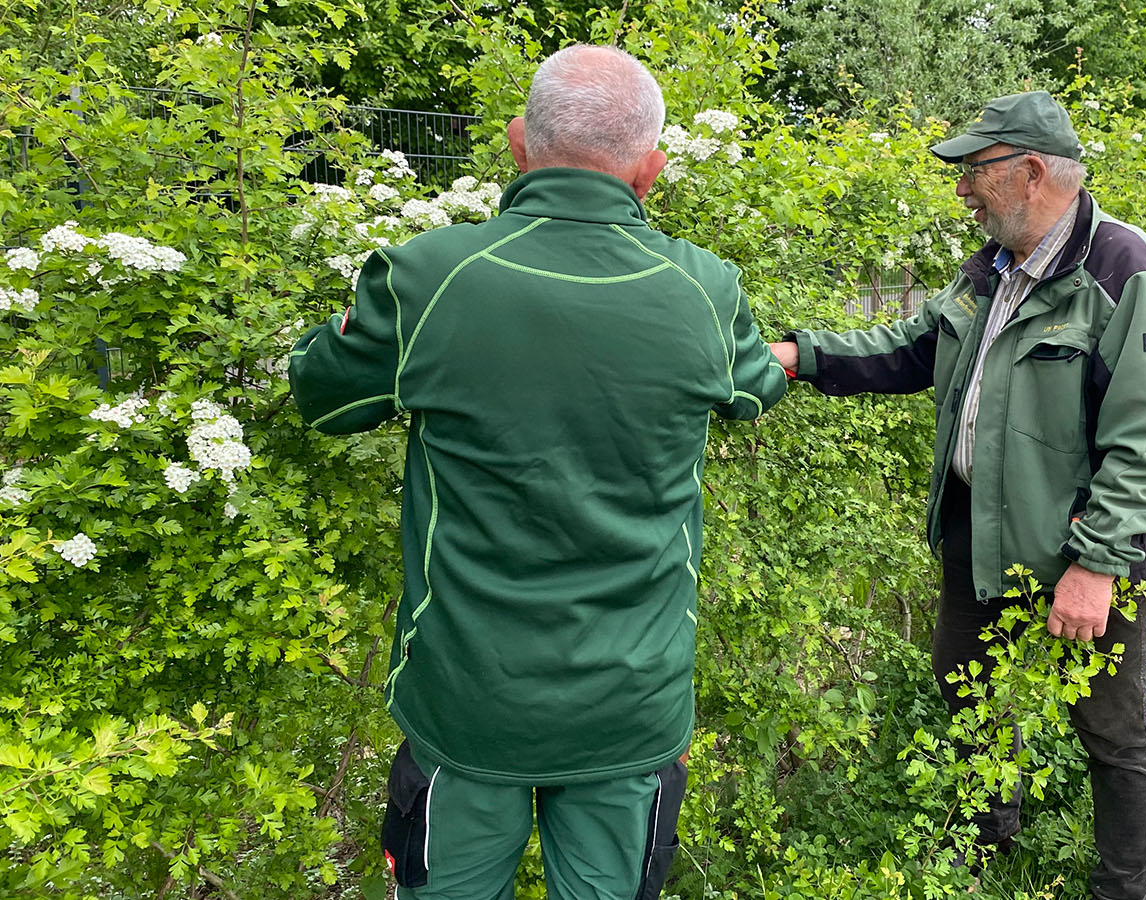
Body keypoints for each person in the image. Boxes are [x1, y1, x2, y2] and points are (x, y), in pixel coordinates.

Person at [288, 44, 787, 900]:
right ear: (652, 169)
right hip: (630, 705)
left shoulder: (428, 277)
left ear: (519, 144)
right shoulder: (704, 289)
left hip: (467, 702)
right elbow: (756, 387)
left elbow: (322, 394)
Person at [769, 91, 1146, 900]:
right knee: (968, 687)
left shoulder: (1122, 270)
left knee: (1111, 728)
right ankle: (988, 840)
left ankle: (1124, 887)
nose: (962, 190)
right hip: (980, 532)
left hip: (1081, 549)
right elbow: (911, 347)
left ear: (1031, 172)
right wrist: (800, 354)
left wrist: (1095, 565)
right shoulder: (989, 267)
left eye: (975, 172)